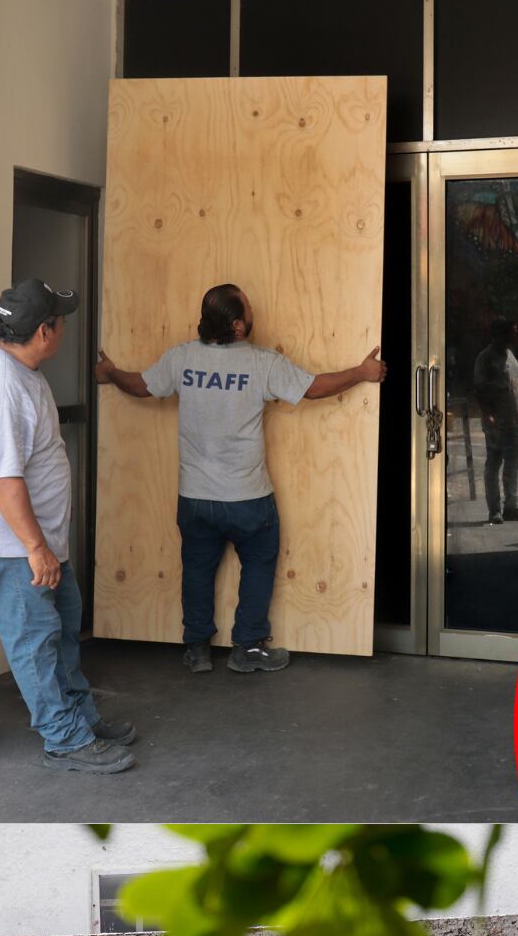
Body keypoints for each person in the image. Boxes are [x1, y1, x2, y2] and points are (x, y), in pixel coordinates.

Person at [96, 285, 384, 673]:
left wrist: (111, 373)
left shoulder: (182, 358)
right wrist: (362, 373)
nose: (254, 311)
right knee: (260, 562)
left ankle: (197, 649)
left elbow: (142, 386)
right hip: (248, 498)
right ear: (237, 325)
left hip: (194, 497)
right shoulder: (261, 363)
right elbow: (314, 389)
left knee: (197, 569)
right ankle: (247, 648)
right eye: (249, 307)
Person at [0, 279, 136, 774]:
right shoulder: (1, 387)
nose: (63, 328)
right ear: (43, 331)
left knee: (60, 634)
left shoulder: (23, 369)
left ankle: (80, 717)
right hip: (14, 548)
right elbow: (3, 478)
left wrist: (47, 546)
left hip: (39, 546)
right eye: (60, 320)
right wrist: (36, 548)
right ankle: (64, 739)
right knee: (35, 643)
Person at [471, 318, 518, 524]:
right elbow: (479, 389)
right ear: (498, 335)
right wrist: (487, 413)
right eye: (510, 333)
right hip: (498, 423)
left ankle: (511, 507)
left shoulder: (510, 355)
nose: (514, 337)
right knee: (494, 465)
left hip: (516, 421)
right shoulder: (485, 358)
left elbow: (517, 385)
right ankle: (494, 510)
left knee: (512, 467)